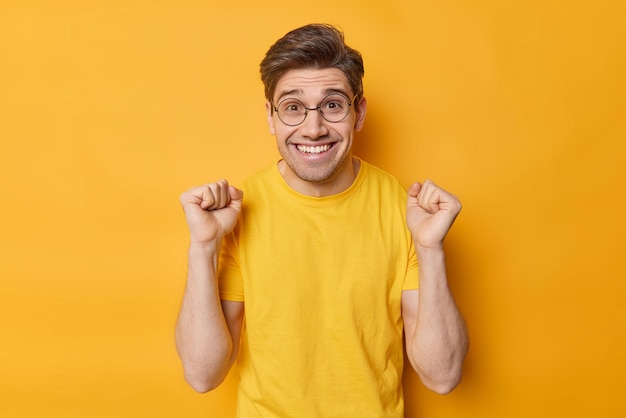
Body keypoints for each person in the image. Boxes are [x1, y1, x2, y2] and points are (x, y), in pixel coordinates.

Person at [175, 23, 468, 417]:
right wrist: (204, 247)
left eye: (332, 104)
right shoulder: (235, 214)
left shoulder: (406, 211)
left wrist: (429, 248)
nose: (313, 129)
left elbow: (443, 376)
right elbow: (202, 374)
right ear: (270, 116)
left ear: (358, 112)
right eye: (293, 107)